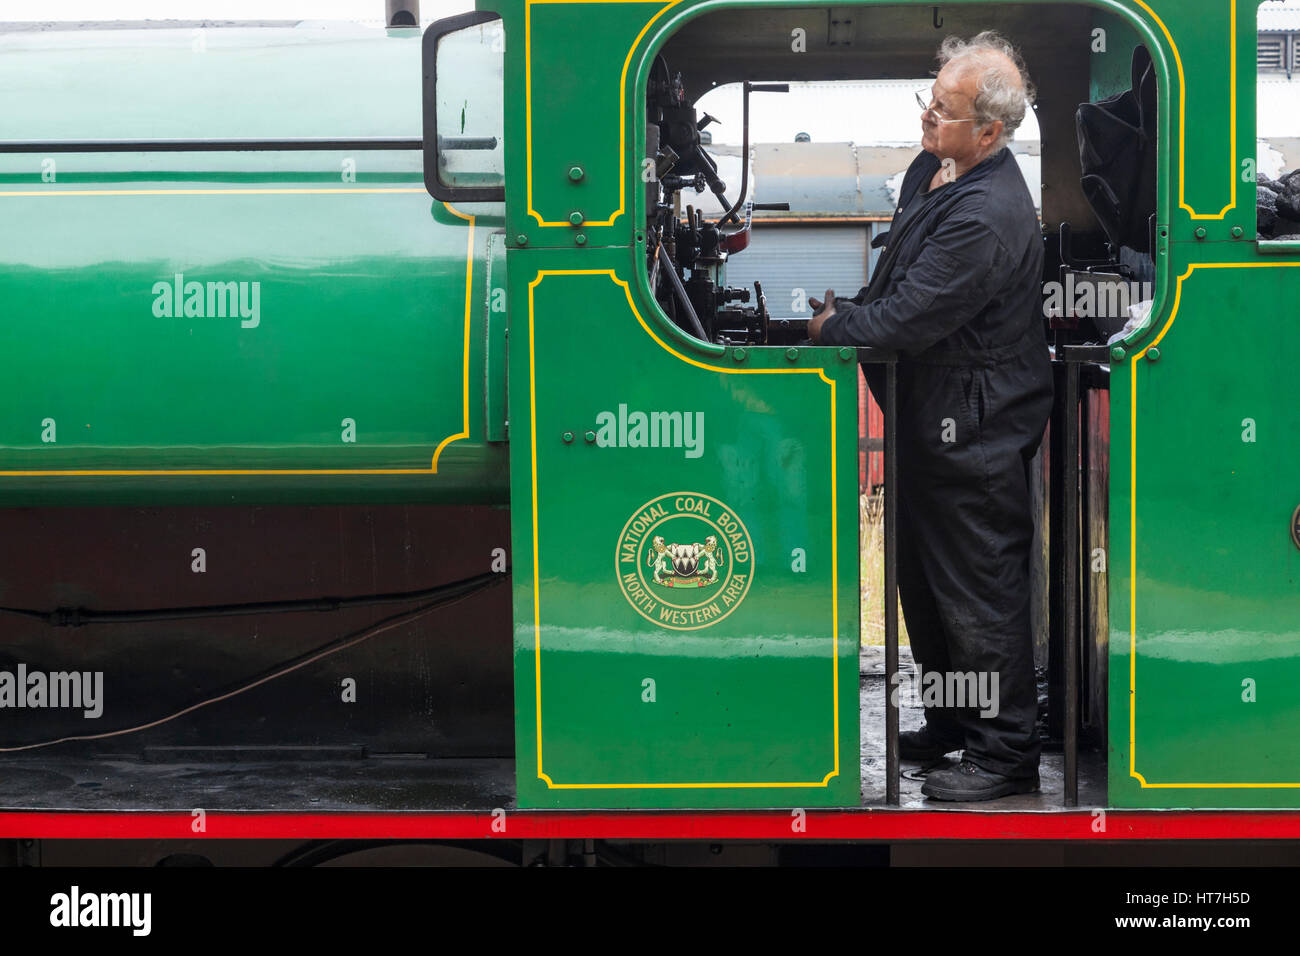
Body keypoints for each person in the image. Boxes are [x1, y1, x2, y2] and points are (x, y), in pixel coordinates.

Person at [808, 31, 1053, 801]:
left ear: (989, 130)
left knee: (976, 593)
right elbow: (898, 281)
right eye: (928, 100)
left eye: (942, 113)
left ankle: (1005, 752)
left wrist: (834, 329)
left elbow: (913, 314)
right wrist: (854, 310)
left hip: (972, 428)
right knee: (926, 587)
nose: (925, 119)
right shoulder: (937, 170)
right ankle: (953, 725)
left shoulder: (986, 215)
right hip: (934, 419)